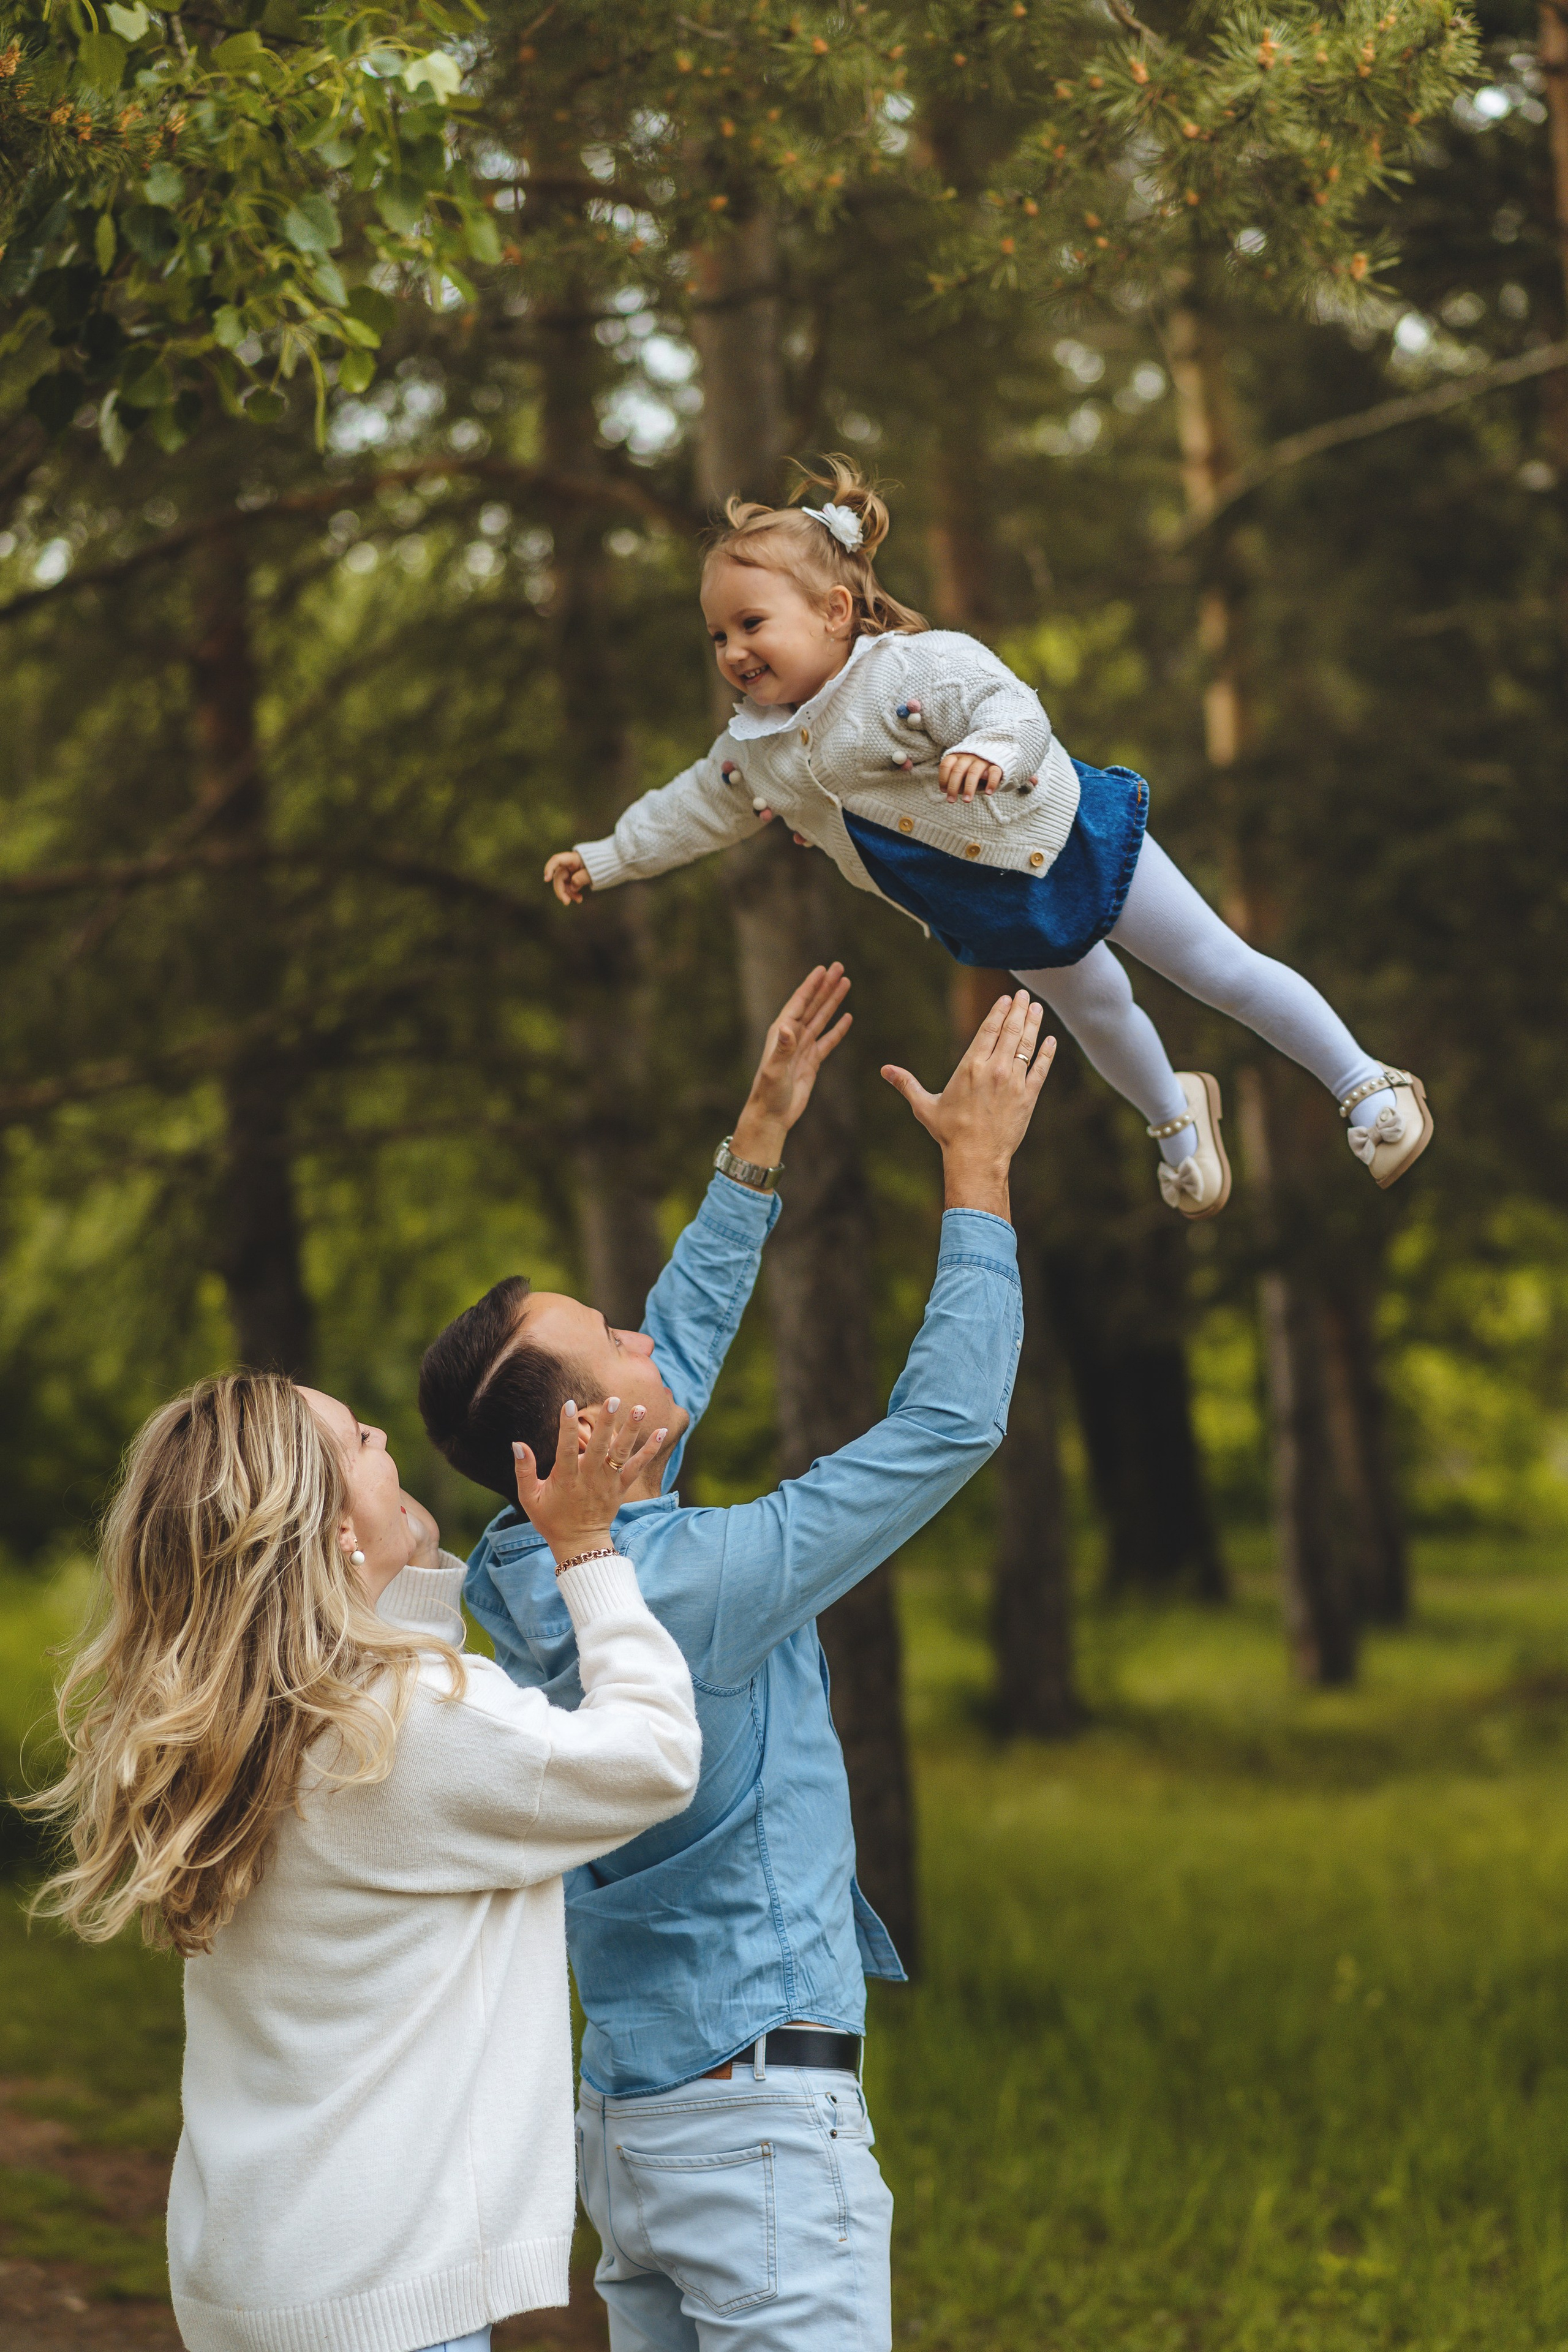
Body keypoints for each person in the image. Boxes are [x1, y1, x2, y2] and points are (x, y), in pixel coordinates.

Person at [417, 967, 1054, 2352]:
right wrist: (977, 1173)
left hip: (632, 2125)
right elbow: (946, 1424)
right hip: (755, 2133)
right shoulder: (690, 1587)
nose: (647, 1331)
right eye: (611, 1336)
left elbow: (680, 1344)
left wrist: (756, 1138)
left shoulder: (530, 1565)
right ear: (587, 1437)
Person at [541, 456, 1432, 1218]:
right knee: (1094, 1012)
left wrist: (988, 751)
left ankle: (1365, 1083)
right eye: (718, 635)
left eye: (752, 624)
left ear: (836, 613)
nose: (733, 650)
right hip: (986, 901)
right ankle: (1175, 1119)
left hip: (1064, 833)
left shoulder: (912, 668)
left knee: (1213, 965)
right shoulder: (756, 753)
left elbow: (1011, 702)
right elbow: (692, 807)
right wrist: (609, 856)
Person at [31, 1366, 701, 2352]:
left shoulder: (265, 1723)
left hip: (261, 2272)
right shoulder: (403, 1727)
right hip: (381, 2298)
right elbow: (653, 1757)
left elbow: (406, 1683)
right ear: (330, 1529)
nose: (383, 1437)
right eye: (356, 1443)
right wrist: (589, 1549)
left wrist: (392, 1567)